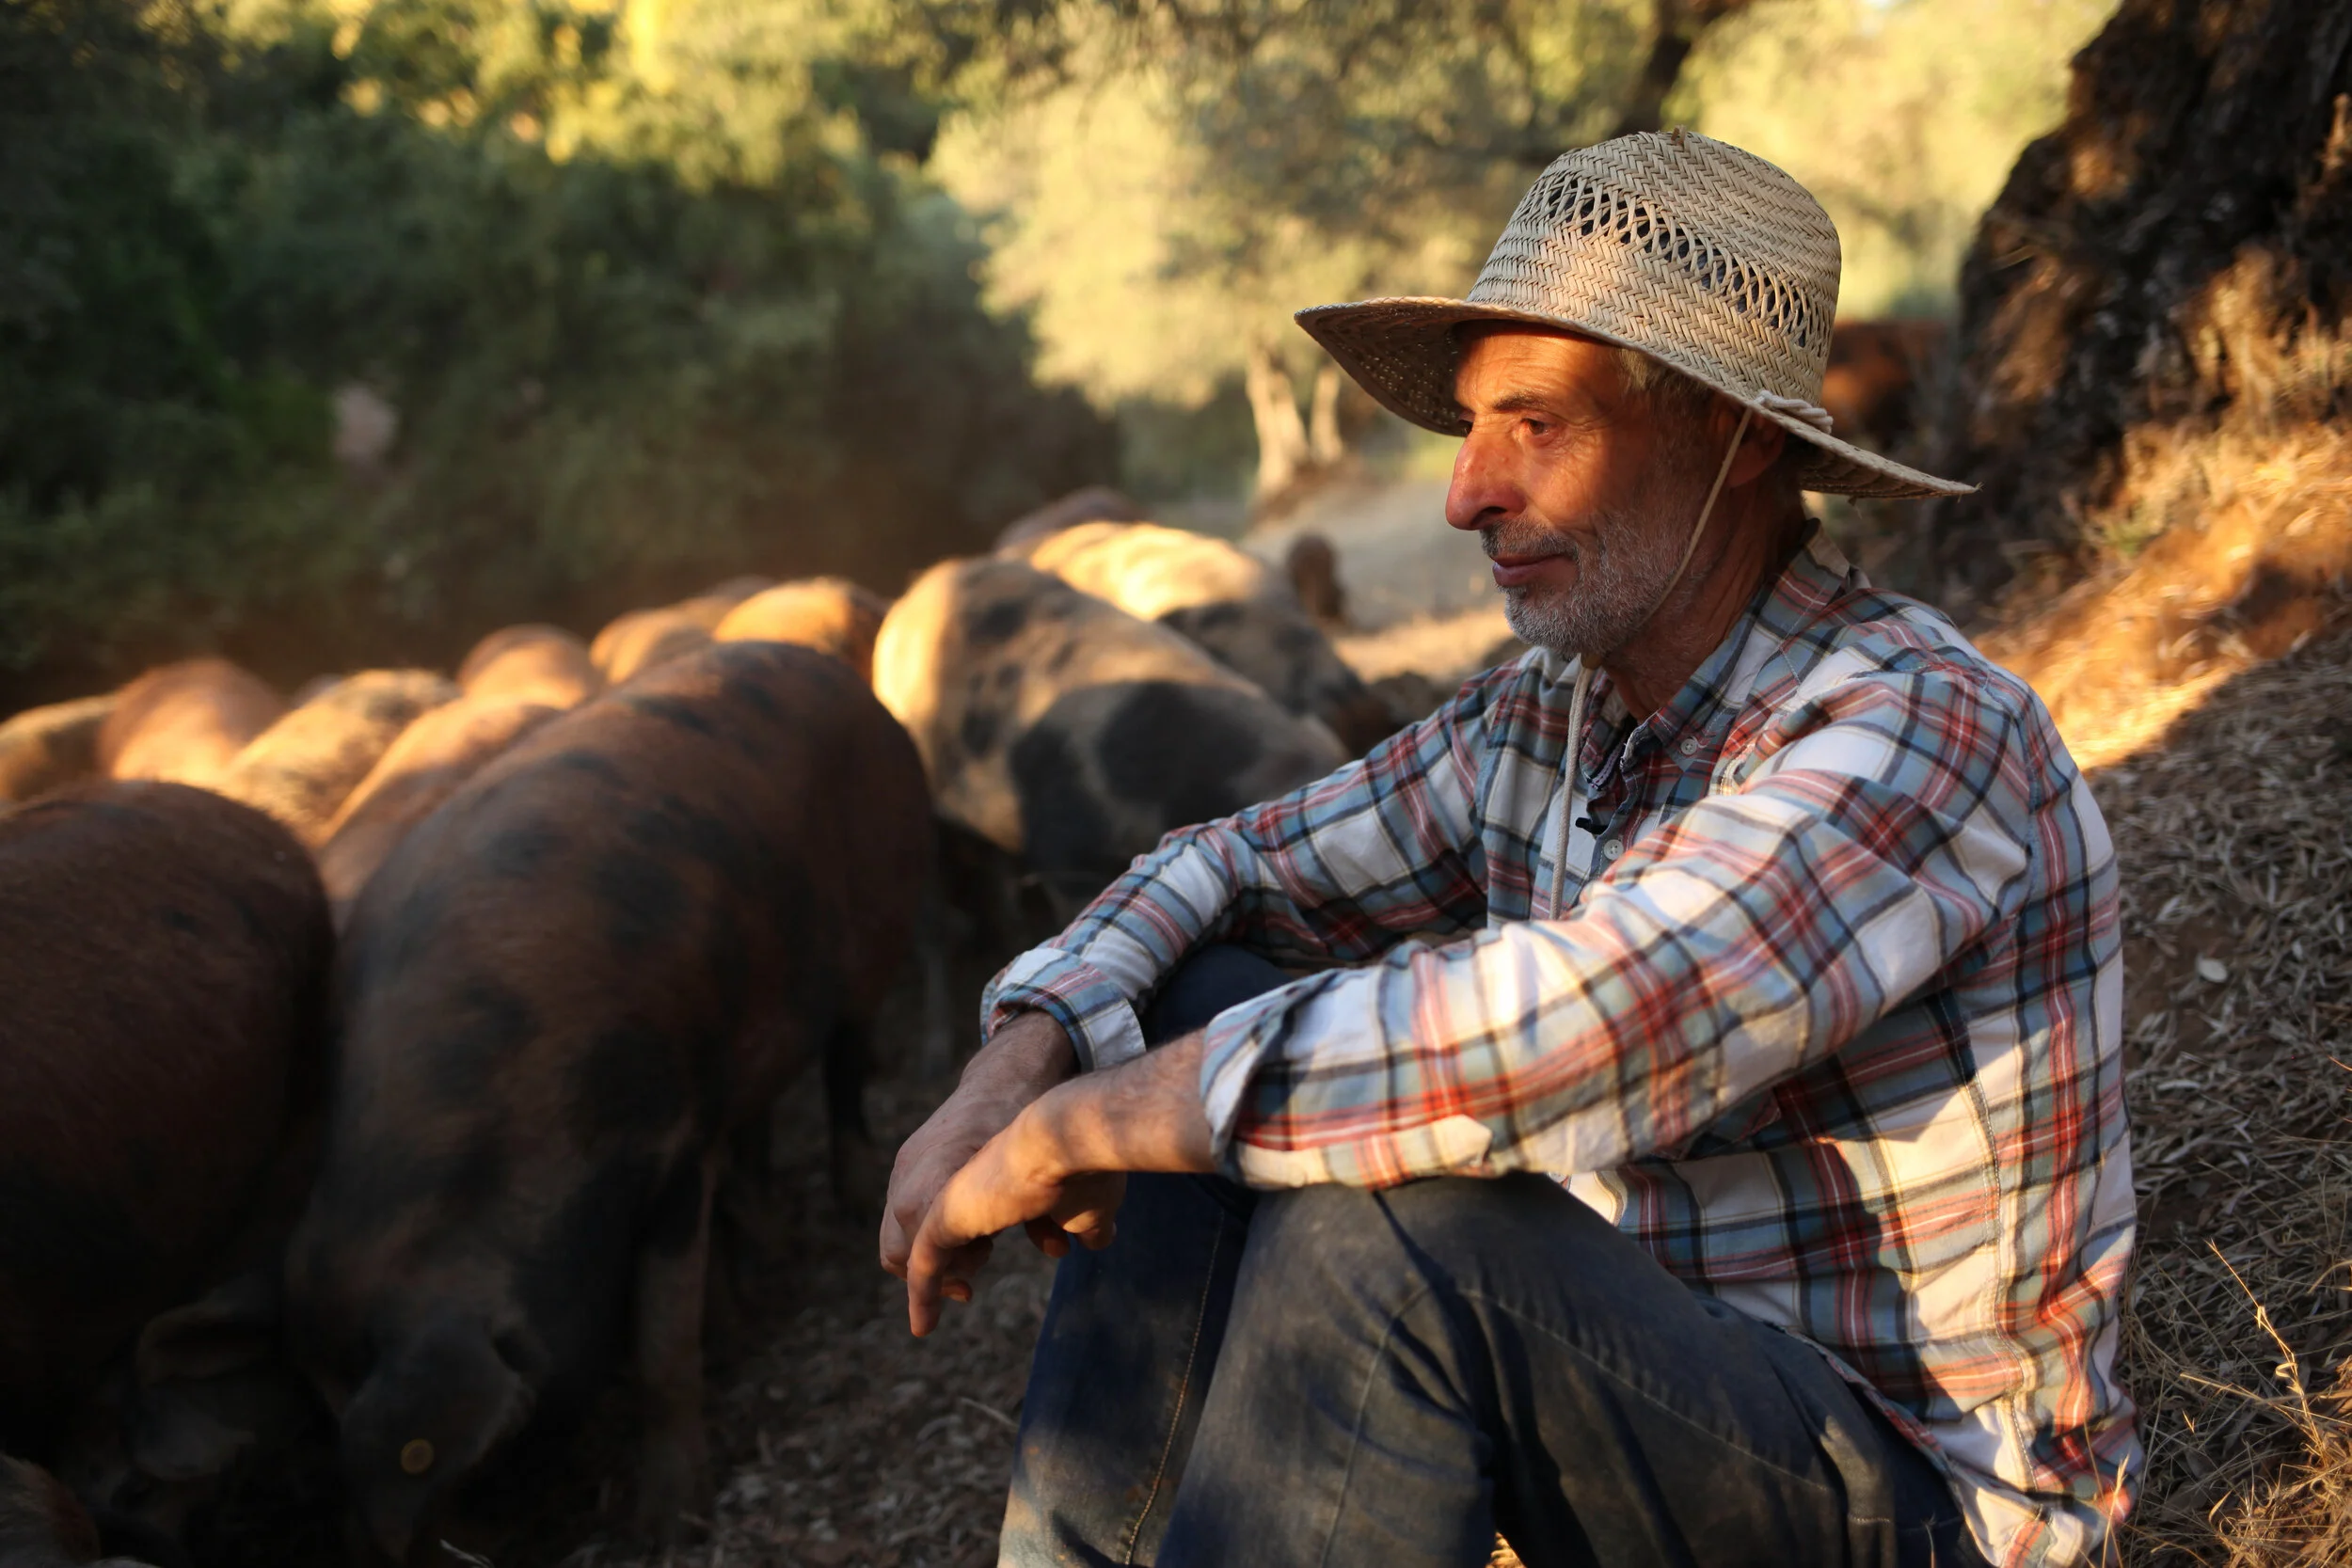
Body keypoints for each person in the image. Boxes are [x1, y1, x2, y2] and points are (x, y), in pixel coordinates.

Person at [882, 131, 2138, 1568]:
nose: (1466, 492)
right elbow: (1232, 859)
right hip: (1659, 1385)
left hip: (1923, 1496)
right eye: (1473, 426)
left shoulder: (1915, 728)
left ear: (1740, 440)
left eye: (1537, 424)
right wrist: (1026, 1054)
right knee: (1191, 994)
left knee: (1385, 1235)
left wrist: (1079, 1128)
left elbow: (1572, 1030)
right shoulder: (1553, 713)